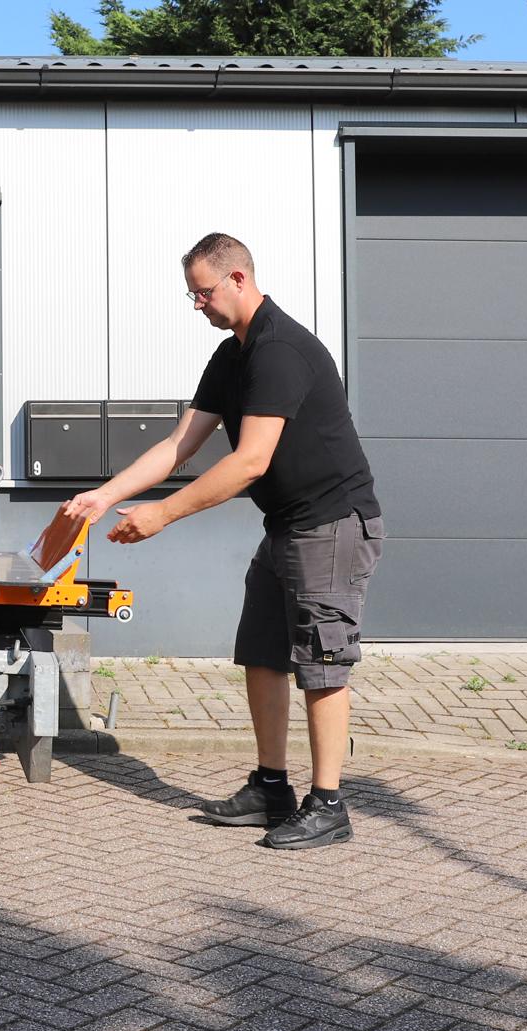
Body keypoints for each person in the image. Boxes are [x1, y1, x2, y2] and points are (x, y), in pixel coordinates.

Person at [62, 233, 383, 850]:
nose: (198, 304)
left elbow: (250, 462)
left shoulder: (281, 349)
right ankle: (271, 787)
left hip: (332, 523)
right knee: (262, 653)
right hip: (286, 525)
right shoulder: (230, 355)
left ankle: (329, 804)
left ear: (238, 279)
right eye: (192, 294)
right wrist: (105, 495)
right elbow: (180, 445)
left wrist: (162, 515)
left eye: (203, 292)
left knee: (321, 661)